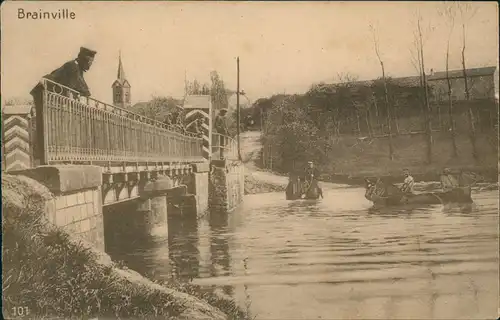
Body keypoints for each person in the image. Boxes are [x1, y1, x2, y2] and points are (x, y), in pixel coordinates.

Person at [30, 46, 97, 163]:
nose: (90, 65)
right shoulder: (73, 67)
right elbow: (77, 87)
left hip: (51, 95)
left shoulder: (78, 68)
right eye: (89, 61)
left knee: (54, 123)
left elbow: (81, 87)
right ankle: (42, 157)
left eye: (92, 62)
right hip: (43, 93)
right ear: (83, 59)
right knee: (46, 123)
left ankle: (52, 155)